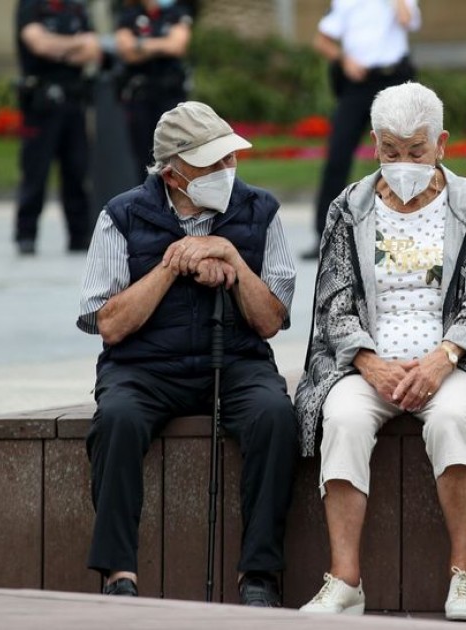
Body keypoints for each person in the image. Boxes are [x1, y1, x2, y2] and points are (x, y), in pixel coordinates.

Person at [294, 82, 466, 621]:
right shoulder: (350, 207)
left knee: (455, 419)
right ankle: (344, 580)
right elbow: (333, 300)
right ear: (374, 144)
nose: (403, 162)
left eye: (416, 150)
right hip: (368, 364)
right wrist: (368, 362)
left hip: (451, 359)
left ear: (441, 143)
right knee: (341, 417)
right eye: (391, 151)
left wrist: (444, 358)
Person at [77, 101, 298, 607]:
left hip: (237, 360)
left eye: (229, 159)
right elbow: (106, 324)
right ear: (175, 174)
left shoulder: (260, 210)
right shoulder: (122, 215)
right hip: (143, 367)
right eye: (213, 163)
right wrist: (170, 266)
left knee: (274, 416)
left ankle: (259, 575)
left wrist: (233, 259)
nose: (228, 170)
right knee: (117, 418)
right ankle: (118, 574)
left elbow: (270, 321)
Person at [305, 0, 420, 259]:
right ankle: (326, 234)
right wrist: (344, 60)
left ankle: (410, 230)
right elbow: (322, 40)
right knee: (338, 154)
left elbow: (406, 20)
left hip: (394, 79)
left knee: (405, 154)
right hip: (358, 83)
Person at [14, 0, 102, 255]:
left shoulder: (76, 8)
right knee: (35, 173)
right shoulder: (31, 6)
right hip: (40, 106)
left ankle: (79, 235)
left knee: (77, 170)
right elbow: (37, 44)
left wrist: (57, 47)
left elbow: (93, 50)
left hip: (74, 103)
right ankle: (26, 234)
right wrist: (75, 44)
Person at [114, 0, 193, 178]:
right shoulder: (129, 15)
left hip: (171, 96)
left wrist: (140, 44)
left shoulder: (176, 13)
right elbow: (126, 50)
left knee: (175, 156)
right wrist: (163, 44)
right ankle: (148, 202)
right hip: (140, 96)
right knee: (144, 158)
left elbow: (177, 46)